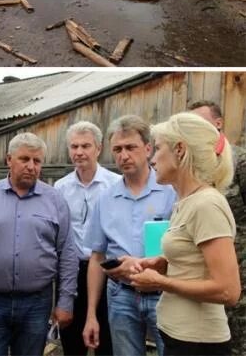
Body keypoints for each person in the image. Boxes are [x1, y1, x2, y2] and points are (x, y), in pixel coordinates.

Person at [126, 113, 240, 355]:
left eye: (157, 149)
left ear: (179, 149)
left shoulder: (207, 204)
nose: (152, 159)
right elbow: (196, 262)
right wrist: (163, 264)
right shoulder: (185, 202)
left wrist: (160, 282)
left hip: (198, 343)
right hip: (179, 336)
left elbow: (228, 291)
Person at [0, 132, 77, 356]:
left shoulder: (55, 200)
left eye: (37, 161)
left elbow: (67, 252)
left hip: (36, 303)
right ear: (9, 160)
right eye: (24, 159)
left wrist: (65, 302)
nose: (31, 166)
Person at [83, 115, 177, 356]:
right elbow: (96, 256)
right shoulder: (105, 199)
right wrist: (92, 314)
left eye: (130, 147)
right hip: (121, 295)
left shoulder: (171, 192)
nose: (123, 155)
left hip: (166, 294)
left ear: (148, 148)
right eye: (117, 149)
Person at [53, 121, 120, 356]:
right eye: (74, 146)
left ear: (98, 148)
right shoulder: (60, 188)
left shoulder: (115, 185)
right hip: (72, 273)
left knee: (107, 340)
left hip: (106, 270)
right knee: (72, 341)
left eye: (85, 146)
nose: (79, 152)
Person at [188, 100, 246, 355]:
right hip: (206, 278)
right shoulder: (196, 169)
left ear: (218, 124)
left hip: (240, 280)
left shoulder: (240, 162)